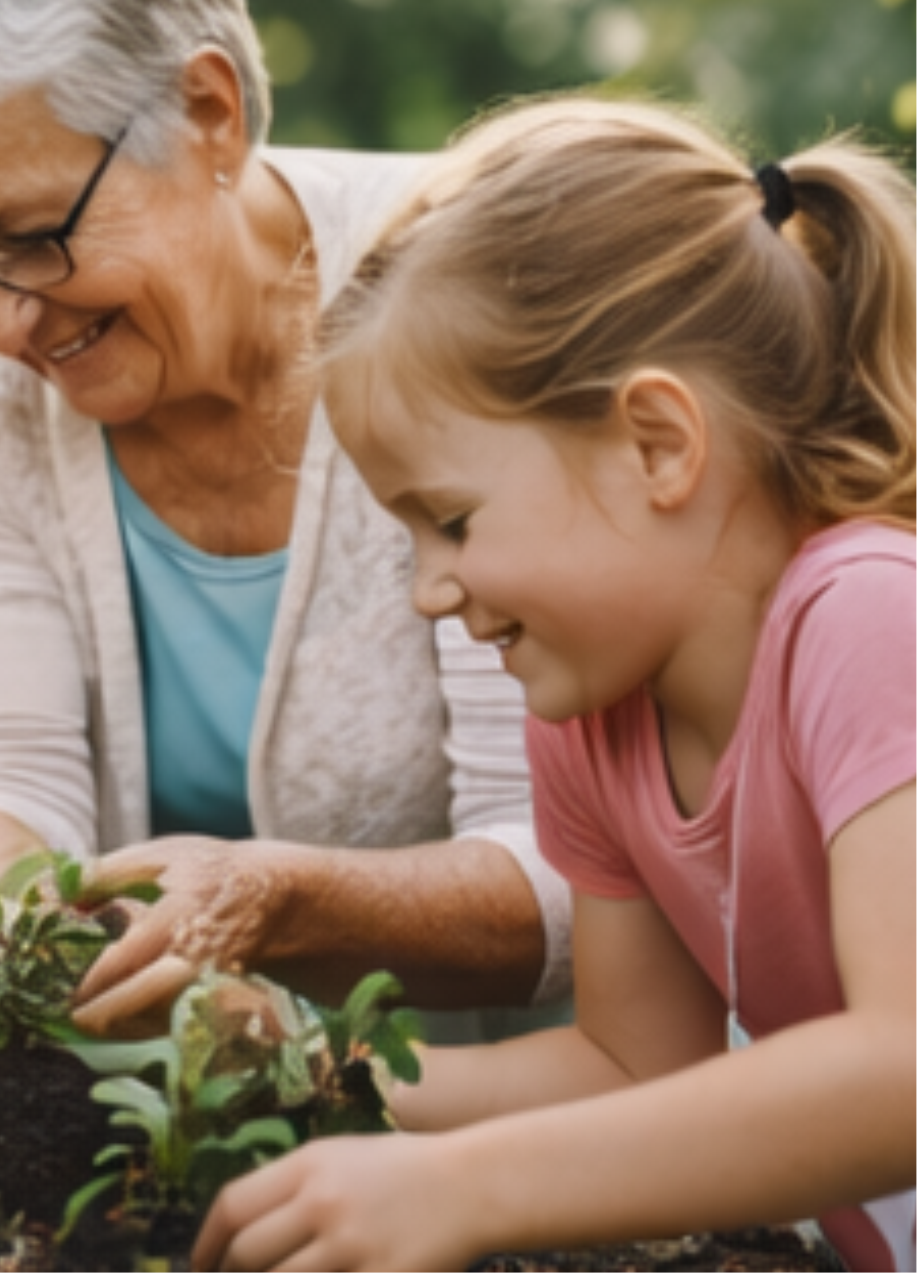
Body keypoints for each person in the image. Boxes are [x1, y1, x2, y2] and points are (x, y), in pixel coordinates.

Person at [0, 0, 569, 1035]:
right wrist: (30, 929)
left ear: (208, 111)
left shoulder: (474, 298)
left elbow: (569, 872)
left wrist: (270, 903)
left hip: (528, 1118)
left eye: (30, 239)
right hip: (179, 1120)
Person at [193, 98, 917, 1273]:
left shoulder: (872, 616)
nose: (430, 590)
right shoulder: (593, 714)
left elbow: (903, 1067)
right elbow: (634, 1069)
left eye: (451, 520)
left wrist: (462, 1190)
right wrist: (307, 1081)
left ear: (656, 444)